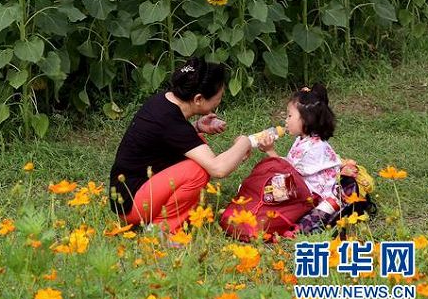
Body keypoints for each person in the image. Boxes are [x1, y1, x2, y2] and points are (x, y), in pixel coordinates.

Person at [108, 57, 253, 234]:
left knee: (199, 146)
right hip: (132, 204)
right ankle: (160, 230)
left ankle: (167, 215)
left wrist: (196, 127)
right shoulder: (171, 122)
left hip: (126, 193)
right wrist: (245, 141)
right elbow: (218, 169)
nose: (219, 102)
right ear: (198, 99)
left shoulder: (164, 101)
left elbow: (165, 137)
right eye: (219, 97)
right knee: (198, 170)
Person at [257, 84, 340, 234]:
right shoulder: (303, 140)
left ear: (307, 119)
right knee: (265, 185)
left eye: (290, 116)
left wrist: (270, 151)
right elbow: (290, 165)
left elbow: (290, 173)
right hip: (301, 185)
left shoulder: (314, 147)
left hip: (314, 195)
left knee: (269, 191)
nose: (286, 120)